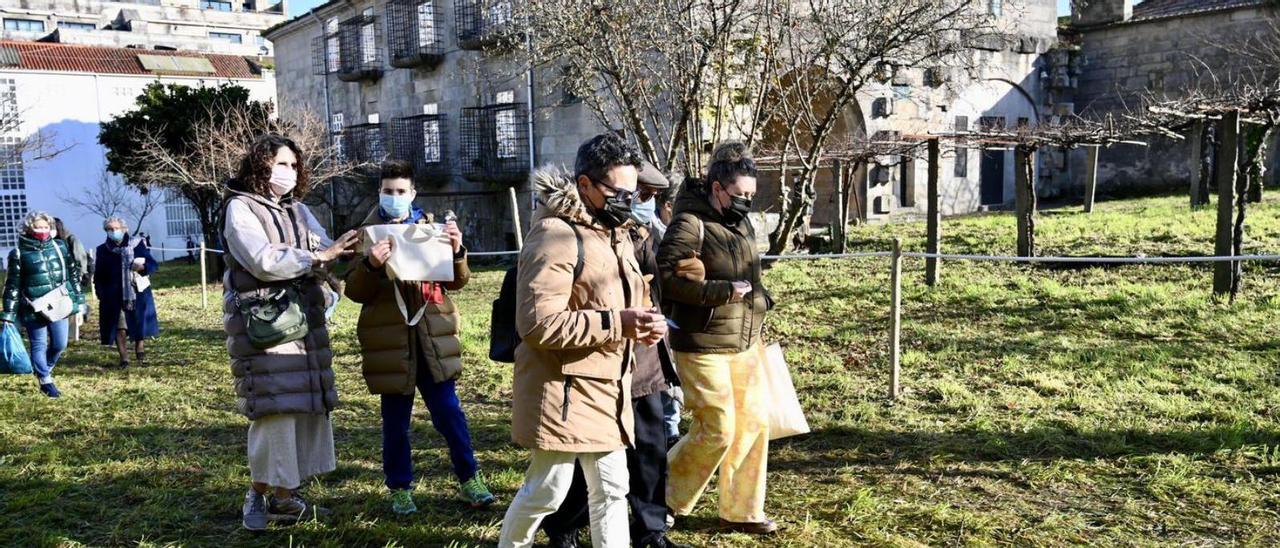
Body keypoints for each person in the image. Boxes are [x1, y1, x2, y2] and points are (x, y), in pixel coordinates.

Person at [498, 133, 667, 548]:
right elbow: (537, 325)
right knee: (547, 490)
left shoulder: (618, 233)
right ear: (585, 185)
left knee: (612, 488)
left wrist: (646, 322)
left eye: (633, 192)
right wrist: (618, 323)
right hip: (563, 391)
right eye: (618, 192)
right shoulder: (554, 235)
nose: (628, 201)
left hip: (608, 387)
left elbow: (623, 300)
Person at [539, 162, 686, 548]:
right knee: (585, 461)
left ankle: (651, 529)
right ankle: (562, 525)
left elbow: (657, 289)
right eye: (638, 196)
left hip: (645, 354)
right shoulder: (575, 230)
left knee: (652, 446)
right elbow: (545, 313)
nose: (641, 203)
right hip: (597, 360)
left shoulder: (642, 231)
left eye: (649, 197)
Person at [222, 134, 359, 531]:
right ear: (261, 165)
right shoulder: (239, 208)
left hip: (305, 322)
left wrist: (358, 248)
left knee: (300, 406)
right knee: (274, 409)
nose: (289, 172)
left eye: (294, 165)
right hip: (265, 325)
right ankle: (258, 495)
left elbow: (325, 246)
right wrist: (318, 258)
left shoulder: (297, 210)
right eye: (282, 164)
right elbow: (263, 260)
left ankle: (286, 497)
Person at [344, 160, 496, 515]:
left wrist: (457, 252)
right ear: (378, 193)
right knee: (395, 424)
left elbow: (457, 281)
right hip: (390, 346)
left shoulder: (431, 229)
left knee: (449, 414)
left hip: (431, 341)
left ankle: (469, 478)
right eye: (387, 191)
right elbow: (354, 290)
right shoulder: (365, 235)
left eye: (400, 191)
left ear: (412, 194)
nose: (394, 197)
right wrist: (371, 266)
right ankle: (399, 489)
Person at [657, 141, 777, 535]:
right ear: (716, 187)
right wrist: (721, 291)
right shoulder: (689, 223)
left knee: (754, 425)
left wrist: (760, 297)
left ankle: (742, 512)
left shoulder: (739, 223)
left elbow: (748, 276)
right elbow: (667, 281)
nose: (746, 202)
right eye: (740, 194)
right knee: (718, 428)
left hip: (746, 339)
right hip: (702, 342)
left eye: (751, 196)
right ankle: (662, 499)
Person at [1, 211, 87, 398]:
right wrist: (8, 314)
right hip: (33, 307)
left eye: (46, 227)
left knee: (59, 344)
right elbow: (12, 285)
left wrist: (79, 301)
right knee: (39, 344)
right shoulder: (18, 253)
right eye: (38, 227)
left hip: (59, 304)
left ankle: (43, 369)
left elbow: (72, 274)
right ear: (28, 228)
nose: (42, 230)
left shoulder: (60, 247)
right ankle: (46, 380)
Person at [94, 217, 160, 368]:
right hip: (113, 295)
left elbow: (153, 264)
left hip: (136, 291)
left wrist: (143, 268)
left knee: (138, 321)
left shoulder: (137, 245)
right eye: (109, 229)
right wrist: (101, 293)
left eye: (115, 228)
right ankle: (124, 358)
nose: (113, 232)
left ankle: (140, 346)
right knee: (119, 326)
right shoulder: (102, 250)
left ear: (124, 229)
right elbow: (99, 275)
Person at [54, 218, 92, 342]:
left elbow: (80, 257)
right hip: (58, 277)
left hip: (73, 276)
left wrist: (82, 273)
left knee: (74, 304)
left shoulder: (70, 239)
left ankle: (74, 332)